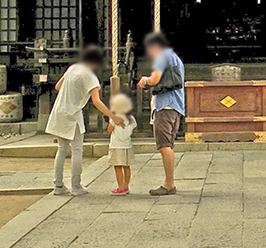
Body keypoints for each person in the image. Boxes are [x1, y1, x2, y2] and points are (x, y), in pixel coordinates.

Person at [46, 44, 123, 196]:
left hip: (59, 111)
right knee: (76, 150)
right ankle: (76, 186)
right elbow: (97, 101)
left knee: (61, 150)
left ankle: (58, 185)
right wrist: (112, 116)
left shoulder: (73, 68)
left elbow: (57, 86)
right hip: (72, 114)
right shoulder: (89, 76)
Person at [137, 32, 185, 196]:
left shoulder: (162, 56)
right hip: (176, 107)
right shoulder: (174, 58)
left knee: (164, 145)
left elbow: (155, 79)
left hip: (165, 106)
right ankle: (169, 181)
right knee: (168, 144)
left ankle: (169, 183)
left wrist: (145, 80)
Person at [107, 93, 136, 195]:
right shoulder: (131, 118)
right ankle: (126, 186)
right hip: (127, 145)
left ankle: (120, 187)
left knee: (118, 166)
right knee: (126, 166)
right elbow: (133, 128)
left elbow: (109, 129)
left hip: (116, 145)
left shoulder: (115, 118)